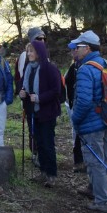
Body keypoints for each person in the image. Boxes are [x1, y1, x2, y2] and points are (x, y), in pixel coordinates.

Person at [70, 30, 107, 213]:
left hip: (92, 124)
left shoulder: (86, 69)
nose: (74, 51)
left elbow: (83, 101)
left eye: (77, 47)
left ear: (87, 48)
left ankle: (102, 202)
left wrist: (74, 119)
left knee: (96, 162)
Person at [19, 39, 62, 187]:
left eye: (31, 51)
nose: (29, 54)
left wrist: (39, 98)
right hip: (33, 112)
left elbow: (56, 91)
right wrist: (22, 94)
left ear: (39, 52)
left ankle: (51, 175)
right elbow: (25, 87)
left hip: (47, 112)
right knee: (39, 143)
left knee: (47, 143)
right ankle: (43, 172)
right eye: (28, 51)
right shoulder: (29, 68)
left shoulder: (49, 68)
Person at [15, 27, 47, 164]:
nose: (42, 41)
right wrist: (23, 94)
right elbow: (21, 77)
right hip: (30, 98)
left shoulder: (45, 54)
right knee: (33, 126)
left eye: (44, 38)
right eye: (39, 38)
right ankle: (35, 153)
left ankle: (42, 152)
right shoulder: (25, 55)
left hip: (43, 98)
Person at [63, 45, 86, 175]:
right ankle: (78, 161)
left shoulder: (83, 66)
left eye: (76, 48)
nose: (74, 51)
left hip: (80, 105)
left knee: (79, 133)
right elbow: (65, 83)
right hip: (73, 105)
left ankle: (81, 161)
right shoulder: (73, 67)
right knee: (76, 133)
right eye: (72, 49)